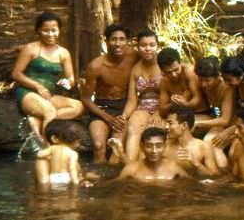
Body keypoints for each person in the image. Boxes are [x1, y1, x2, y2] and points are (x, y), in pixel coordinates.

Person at [12, 11, 84, 141]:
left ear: (59, 31)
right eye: (46, 30)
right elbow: (16, 74)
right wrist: (38, 86)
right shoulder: (31, 48)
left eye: (54, 30)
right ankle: (48, 146)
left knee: (78, 107)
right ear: (38, 31)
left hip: (48, 95)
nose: (50, 34)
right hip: (28, 93)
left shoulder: (63, 53)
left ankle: (37, 119)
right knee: (49, 111)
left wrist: (66, 82)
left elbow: (71, 79)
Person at [81, 24, 138, 163]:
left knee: (116, 151)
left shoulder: (134, 56)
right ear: (106, 42)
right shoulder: (96, 66)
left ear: (128, 41)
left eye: (122, 39)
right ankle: (99, 181)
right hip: (103, 108)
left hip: (125, 107)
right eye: (114, 39)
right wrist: (108, 118)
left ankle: (115, 183)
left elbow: (155, 62)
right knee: (98, 146)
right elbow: (86, 99)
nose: (118, 44)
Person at [122, 30, 163, 162]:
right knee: (133, 127)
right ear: (138, 47)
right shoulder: (136, 69)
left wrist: (159, 112)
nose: (148, 49)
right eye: (143, 45)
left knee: (155, 132)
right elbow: (131, 101)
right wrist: (123, 117)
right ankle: (130, 166)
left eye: (152, 45)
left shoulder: (164, 66)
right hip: (142, 107)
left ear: (158, 46)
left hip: (162, 108)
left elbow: (171, 95)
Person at [192, 56, 236, 168]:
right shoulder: (203, 85)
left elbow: (225, 120)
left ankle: (221, 174)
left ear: (218, 76)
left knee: (211, 142)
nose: (204, 84)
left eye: (208, 80)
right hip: (217, 119)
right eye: (201, 80)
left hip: (233, 124)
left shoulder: (227, 88)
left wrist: (200, 124)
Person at [119, 127, 190, 181]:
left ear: (165, 146)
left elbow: (191, 186)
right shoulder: (131, 170)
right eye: (149, 146)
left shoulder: (173, 167)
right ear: (142, 147)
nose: (154, 151)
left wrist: (197, 165)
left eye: (158, 146)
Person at [165, 106, 219, 177]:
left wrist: (196, 163)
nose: (166, 127)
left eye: (170, 123)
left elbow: (215, 177)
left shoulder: (203, 147)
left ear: (184, 125)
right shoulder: (164, 146)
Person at [35, 120, 87, 187]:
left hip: (59, 182)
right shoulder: (43, 160)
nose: (78, 142)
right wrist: (76, 186)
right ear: (55, 139)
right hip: (58, 190)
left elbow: (78, 174)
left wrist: (82, 180)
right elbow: (44, 184)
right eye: (72, 136)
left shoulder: (69, 153)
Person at [158, 47, 202, 117]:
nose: (173, 75)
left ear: (180, 63)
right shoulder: (164, 81)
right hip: (180, 116)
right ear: (162, 71)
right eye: (168, 72)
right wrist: (175, 103)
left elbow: (198, 98)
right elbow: (162, 111)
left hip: (201, 113)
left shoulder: (189, 71)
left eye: (176, 69)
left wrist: (186, 104)